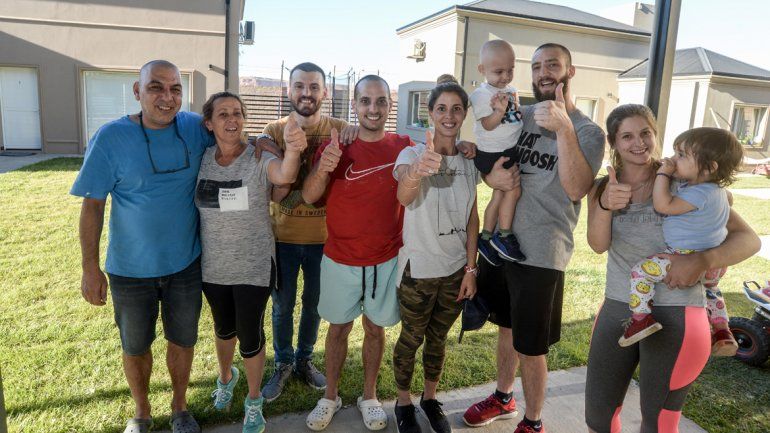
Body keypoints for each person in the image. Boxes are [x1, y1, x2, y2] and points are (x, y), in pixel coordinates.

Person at [585, 104, 760, 433]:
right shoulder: (602, 187)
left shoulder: (684, 181)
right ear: (614, 141)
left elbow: (749, 240)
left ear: (656, 134)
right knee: (598, 417)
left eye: (645, 133)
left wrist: (704, 260)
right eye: (627, 136)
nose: (639, 143)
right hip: (618, 305)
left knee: (659, 423)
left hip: (678, 311)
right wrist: (606, 204)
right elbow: (597, 244)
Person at [463, 44, 606, 433]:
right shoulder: (519, 114)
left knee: (531, 345)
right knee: (506, 328)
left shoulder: (588, 132)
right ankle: (503, 396)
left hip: (543, 251)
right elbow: (488, 151)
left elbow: (576, 188)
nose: (544, 72)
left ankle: (533, 420)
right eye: (538, 66)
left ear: (570, 71)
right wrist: (489, 174)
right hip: (501, 244)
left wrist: (563, 128)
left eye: (553, 65)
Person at [71, 60, 212, 433]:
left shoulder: (195, 128)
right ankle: (142, 412)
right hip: (130, 270)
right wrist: (89, 268)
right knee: (135, 345)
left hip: (185, 264)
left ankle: (180, 408)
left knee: (183, 340)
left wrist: (267, 141)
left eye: (175, 88)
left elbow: (234, 135)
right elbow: (92, 205)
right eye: (156, 87)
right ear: (137, 91)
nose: (167, 97)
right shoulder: (111, 138)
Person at [301, 75, 411, 431]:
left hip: (385, 258)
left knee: (375, 330)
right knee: (337, 329)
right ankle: (330, 396)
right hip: (340, 257)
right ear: (355, 105)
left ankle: (370, 396)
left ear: (390, 105)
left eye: (380, 101)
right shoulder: (336, 146)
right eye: (365, 101)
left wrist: (468, 147)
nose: (373, 108)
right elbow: (309, 196)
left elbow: (439, 149)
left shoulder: (404, 146)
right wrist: (325, 166)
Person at [195, 91, 306, 433]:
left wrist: (293, 150)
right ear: (209, 123)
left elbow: (283, 175)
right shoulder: (203, 158)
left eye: (238, 113)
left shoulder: (258, 156)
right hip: (213, 266)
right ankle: (226, 378)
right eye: (223, 114)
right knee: (222, 328)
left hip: (254, 266)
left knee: (249, 335)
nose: (232, 119)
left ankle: (254, 401)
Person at [259, 62, 357, 402]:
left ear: (325, 92)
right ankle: (283, 362)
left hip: (324, 240)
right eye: (299, 86)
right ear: (289, 90)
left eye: (314, 86)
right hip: (282, 237)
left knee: (314, 305)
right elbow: (270, 184)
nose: (306, 93)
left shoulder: (341, 129)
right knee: (282, 306)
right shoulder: (273, 130)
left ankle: (304, 359)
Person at [391, 76, 480, 433]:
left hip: (456, 271)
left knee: (438, 339)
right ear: (430, 113)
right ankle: (403, 403)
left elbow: (473, 217)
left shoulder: (470, 160)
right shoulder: (413, 154)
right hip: (420, 269)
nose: (449, 116)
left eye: (456, 109)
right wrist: (418, 170)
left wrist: (471, 269)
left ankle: (429, 399)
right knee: (411, 338)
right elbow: (403, 194)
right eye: (441, 108)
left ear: (464, 114)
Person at [619, 127, 743, 356]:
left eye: (682, 155)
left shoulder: (699, 193)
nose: (674, 159)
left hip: (683, 257)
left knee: (639, 272)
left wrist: (663, 175)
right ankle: (722, 330)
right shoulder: (717, 191)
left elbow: (662, 205)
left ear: (709, 167)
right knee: (711, 290)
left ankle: (641, 318)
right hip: (714, 265)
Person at [470, 39, 525, 265]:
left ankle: (485, 238)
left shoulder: (510, 90)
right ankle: (504, 235)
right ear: (482, 70)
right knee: (513, 191)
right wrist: (498, 112)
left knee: (499, 194)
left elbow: (516, 114)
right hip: (493, 153)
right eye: (499, 71)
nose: (505, 76)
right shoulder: (482, 94)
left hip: (505, 149)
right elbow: (487, 125)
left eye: (510, 70)